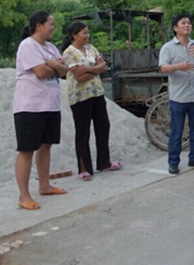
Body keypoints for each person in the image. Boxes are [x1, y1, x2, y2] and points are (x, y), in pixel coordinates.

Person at [13, 11, 69, 211]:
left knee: (46, 145)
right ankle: (24, 195)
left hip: (50, 104)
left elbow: (64, 71)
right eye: (51, 24)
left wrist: (53, 64)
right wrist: (54, 65)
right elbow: (40, 72)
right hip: (30, 106)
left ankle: (44, 186)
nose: (53, 27)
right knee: (27, 149)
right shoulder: (28, 45)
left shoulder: (51, 48)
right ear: (39, 25)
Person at [60, 22, 122, 182]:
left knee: (103, 127)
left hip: (97, 93)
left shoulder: (91, 49)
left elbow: (104, 66)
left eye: (88, 33)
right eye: (84, 33)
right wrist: (97, 69)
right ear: (74, 35)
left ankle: (104, 162)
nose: (87, 36)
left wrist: (89, 69)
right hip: (80, 97)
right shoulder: (69, 53)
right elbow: (79, 77)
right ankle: (84, 168)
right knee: (83, 132)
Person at [159, 14, 194, 175]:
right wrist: (179, 66)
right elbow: (162, 68)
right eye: (183, 23)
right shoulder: (168, 47)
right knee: (176, 131)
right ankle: (173, 162)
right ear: (175, 28)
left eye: (189, 23)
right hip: (179, 97)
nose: (187, 25)